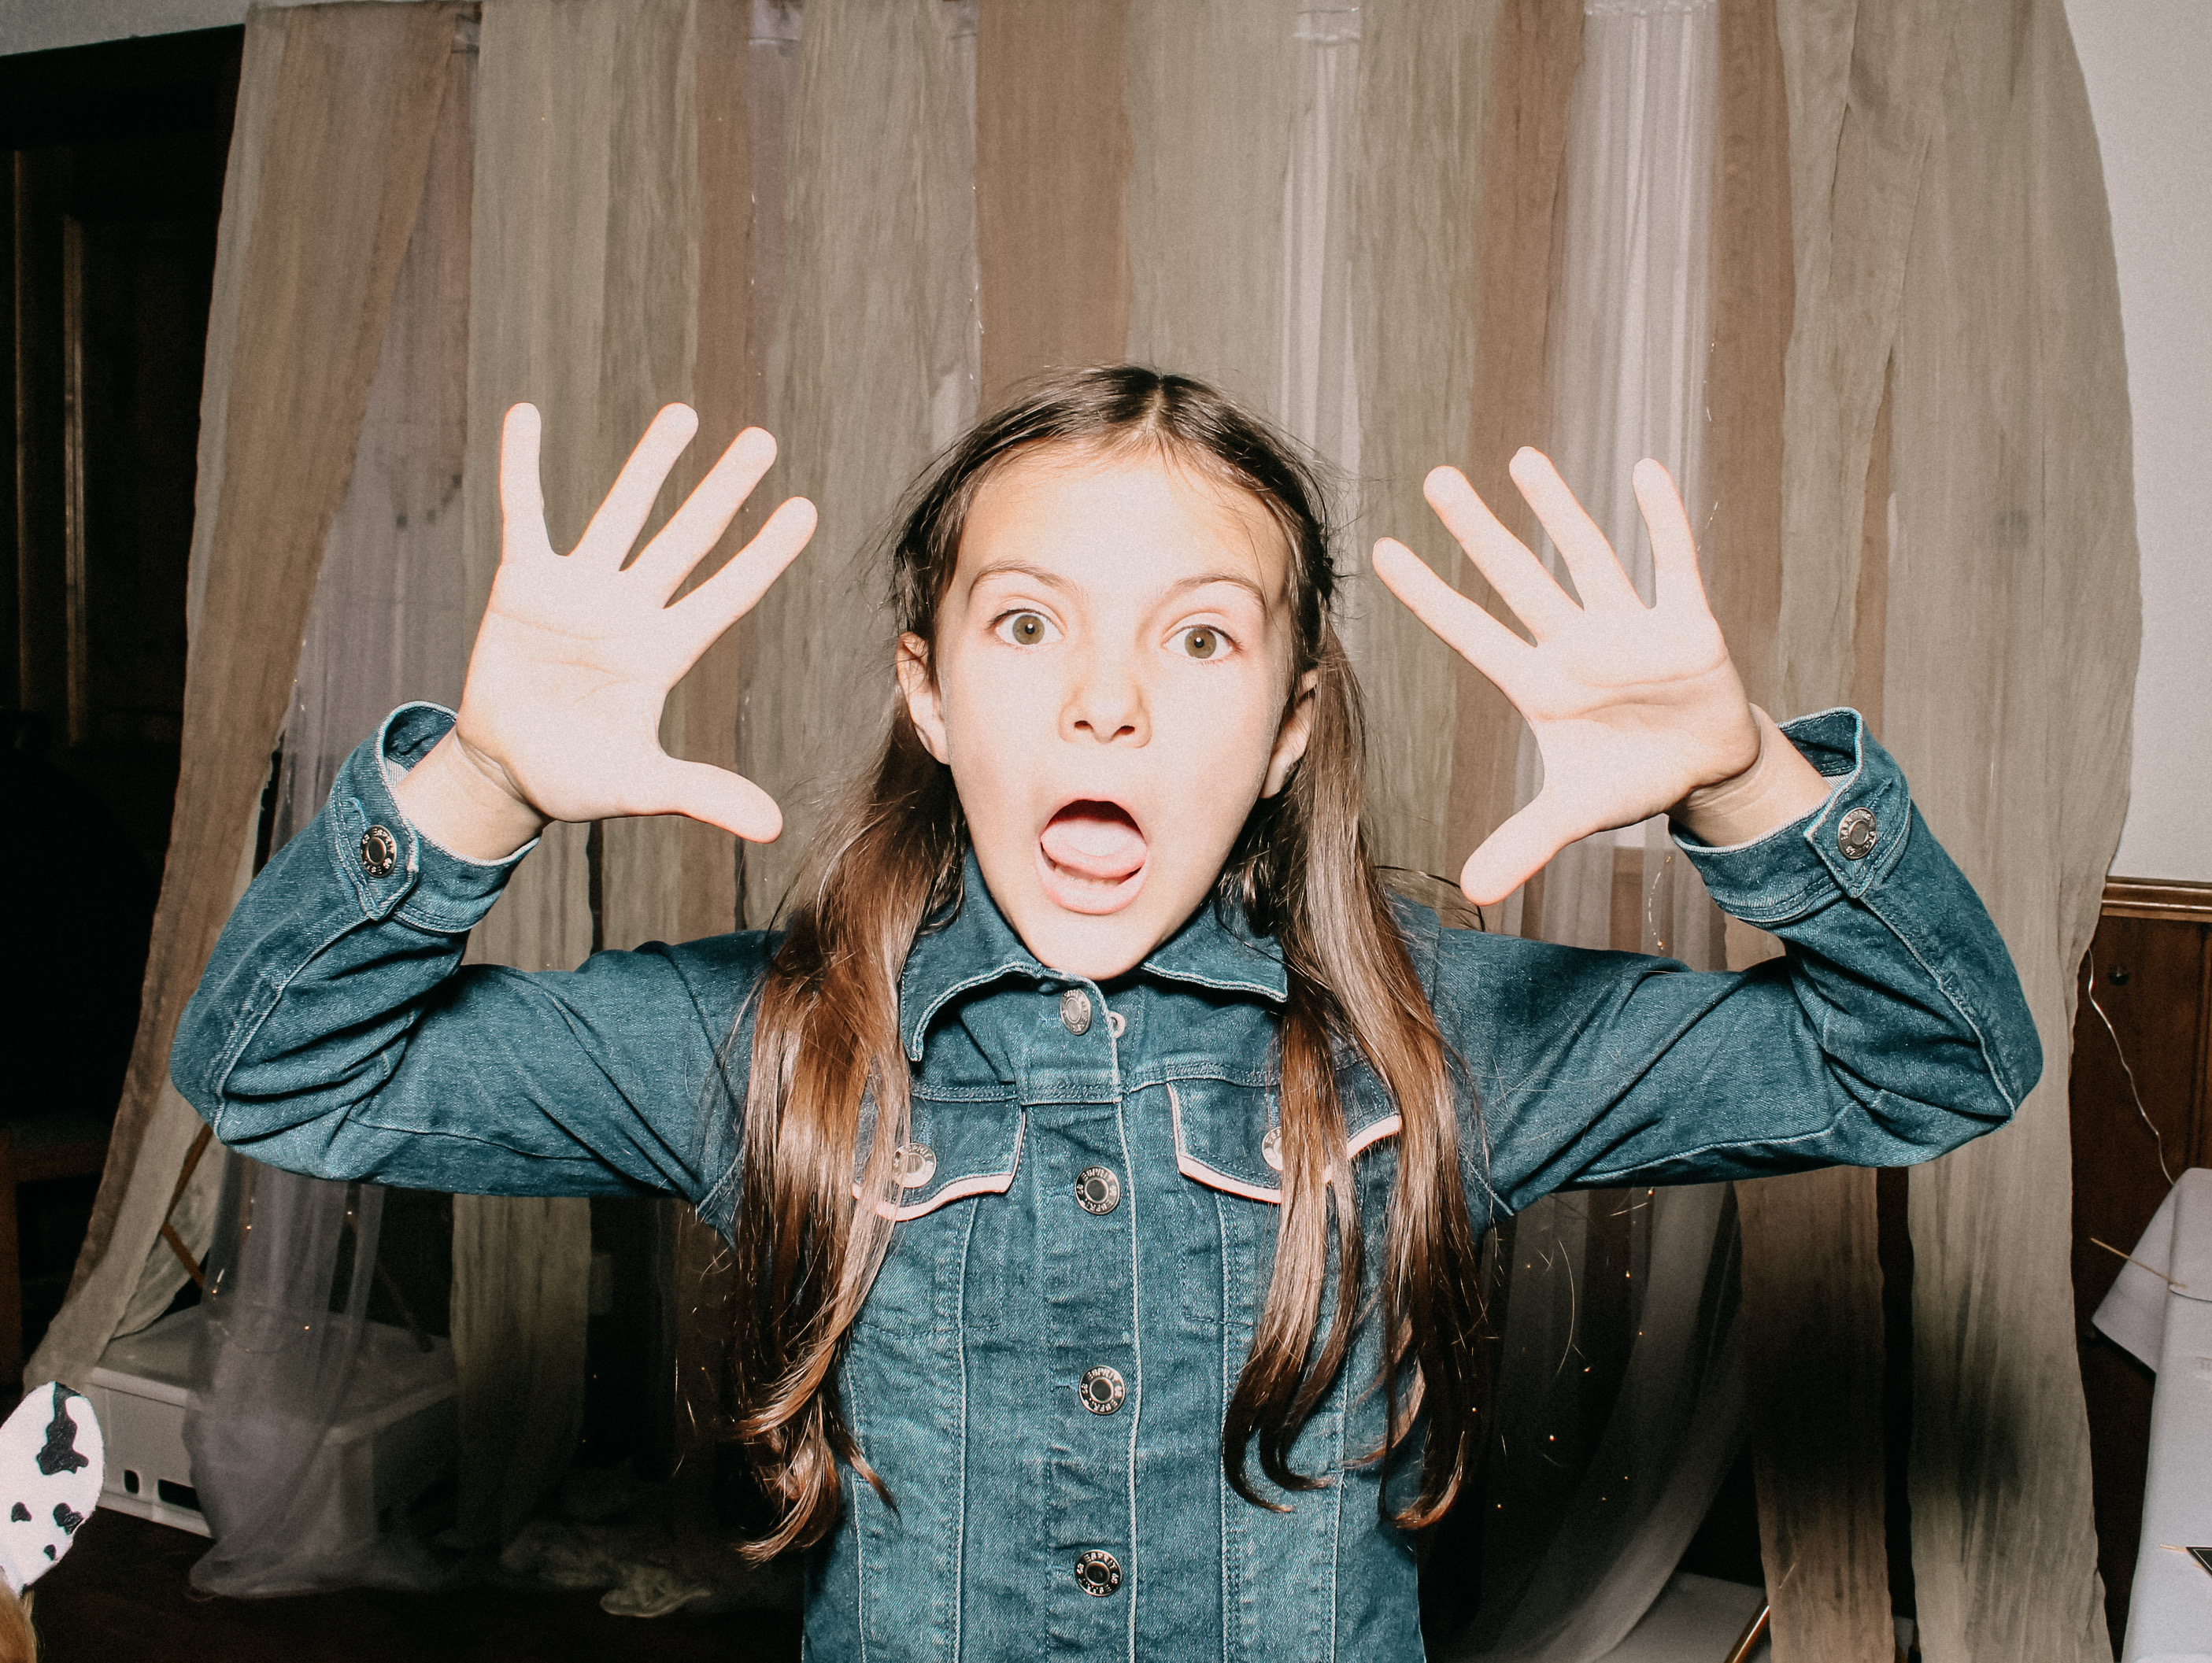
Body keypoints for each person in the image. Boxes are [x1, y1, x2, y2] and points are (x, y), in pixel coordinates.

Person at [172, 367, 2035, 1658]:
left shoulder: (1437, 1037)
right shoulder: (770, 1038)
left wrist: (1745, 785)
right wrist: (478, 780)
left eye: (1201, 635)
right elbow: (275, 1072)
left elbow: (1939, 1060)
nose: (1108, 702)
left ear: (1291, 726)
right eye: (1027, 623)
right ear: (927, 693)